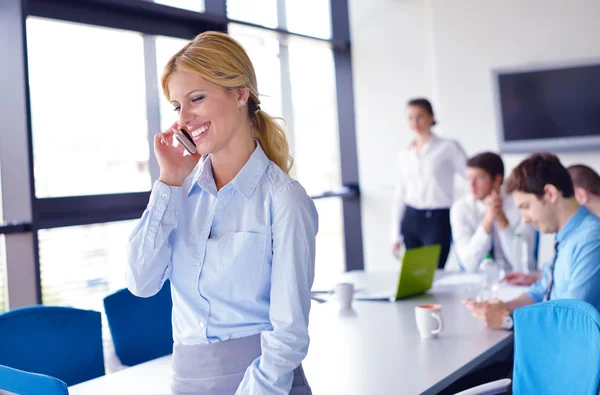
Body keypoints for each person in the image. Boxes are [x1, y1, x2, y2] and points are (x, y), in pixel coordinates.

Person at [126, 31, 318, 395]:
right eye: (177, 106)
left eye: (197, 98)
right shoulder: (179, 194)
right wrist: (168, 181)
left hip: (265, 385)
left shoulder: (284, 199)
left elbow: (289, 332)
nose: (185, 117)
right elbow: (141, 281)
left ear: (240, 93)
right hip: (187, 381)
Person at [463, 153, 600, 330]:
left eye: (526, 207)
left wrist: (508, 320)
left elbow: (571, 317)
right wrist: (500, 307)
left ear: (550, 194)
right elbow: (540, 291)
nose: (525, 219)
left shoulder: (591, 239)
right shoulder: (567, 236)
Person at [390, 98, 467, 268]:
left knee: (433, 273)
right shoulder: (405, 153)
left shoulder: (448, 147)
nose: (415, 122)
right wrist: (394, 235)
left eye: (420, 116)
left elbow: (471, 176)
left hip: (437, 219)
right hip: (411, 218)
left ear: (431, 117)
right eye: (410, 117)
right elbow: (400, 194)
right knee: (414, 277)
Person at [504, 163, 600, 286]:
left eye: (570, 196)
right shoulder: (574, 233)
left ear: (580, 195)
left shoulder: (592, 235)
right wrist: (537, 278)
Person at [450, 152, 536, 273]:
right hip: (479, 281)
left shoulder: (520, 205)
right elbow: (468, 264)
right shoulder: (460, 208)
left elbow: (522, 264)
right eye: (469, 178)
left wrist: (500, 216)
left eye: (479, 178)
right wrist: (488, 219)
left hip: (515, 280)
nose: (471, 184)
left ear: (497, 180)